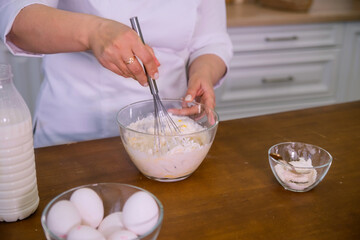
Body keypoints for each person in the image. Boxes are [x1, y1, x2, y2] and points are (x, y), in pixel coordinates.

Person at [0, 0, 233, 148]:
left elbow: (211, 41)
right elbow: (16, 19)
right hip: (74, 136)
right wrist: (94, 32)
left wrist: (203, 73)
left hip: (172, 133)